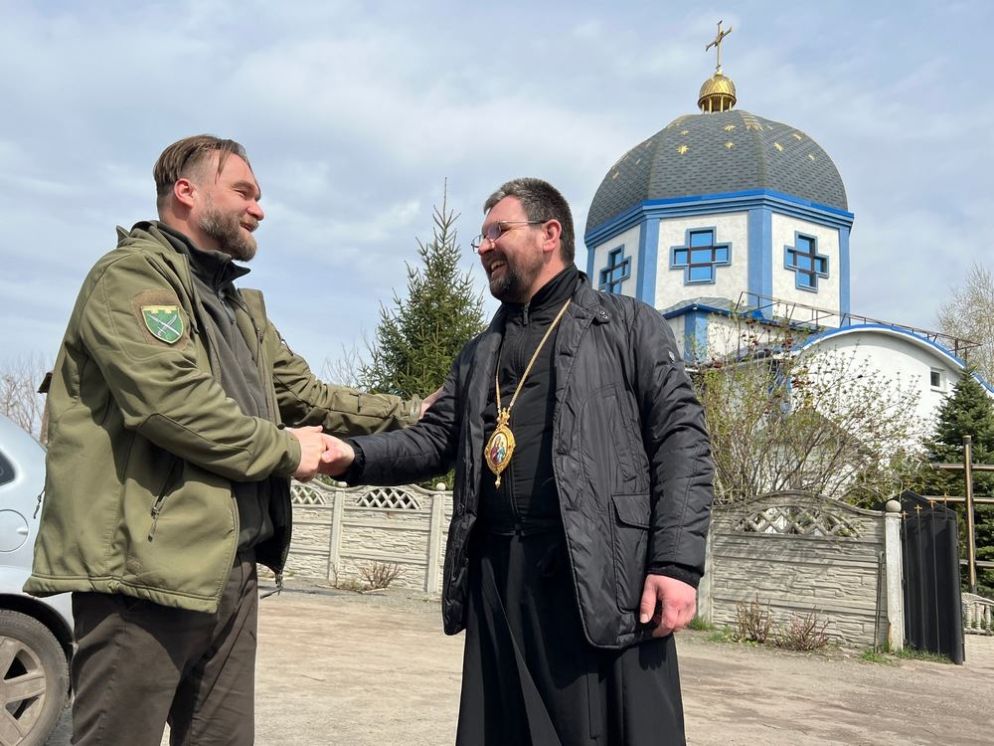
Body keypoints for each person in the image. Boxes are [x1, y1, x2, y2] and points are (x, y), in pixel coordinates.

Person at [24, 135, 428, 745]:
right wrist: (290, 451)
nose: (258, 209)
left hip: (232, 570)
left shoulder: (239, 308)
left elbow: (310, 396)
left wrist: (413, 412)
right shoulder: (131, 277)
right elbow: (173, 405)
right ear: (186, 192)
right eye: (243, 191)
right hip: (143, 573)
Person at [320, 178, 715, 745]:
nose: (482, 247)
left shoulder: (628, 325)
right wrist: (351, 455)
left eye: (496, 231)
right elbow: (434, 440)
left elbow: (683, 440)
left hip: (602, 574)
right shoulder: (482, 351)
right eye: (481, 237)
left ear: (550, 233)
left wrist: (676, 565)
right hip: (501, 578)